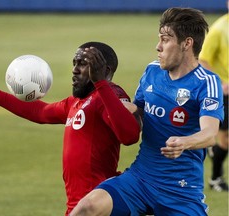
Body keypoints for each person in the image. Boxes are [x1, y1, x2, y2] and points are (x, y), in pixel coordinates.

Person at [0, 42, 141, 215]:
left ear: (103, 70)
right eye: (74, 63)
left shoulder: (111, 94)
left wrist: (101, 83)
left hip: (98, 204)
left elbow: (130, 135)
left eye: (83, 64)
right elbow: (41, 112)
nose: (74, 70)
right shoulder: (76, 102)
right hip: (78, 205)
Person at [70, 7, 224, 216]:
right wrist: (108, 107)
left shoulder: (207, 82)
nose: (158, 47)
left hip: (181, 190)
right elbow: (139, 111)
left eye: (165, 39)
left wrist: (184, 142)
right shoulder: (152, 71)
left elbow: (210, 134)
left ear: (187, 43)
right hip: (140, 179)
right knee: (87, 207)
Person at [199, 1, 229, 192]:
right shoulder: (219, 29)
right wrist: (219, 84)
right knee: (225, 140)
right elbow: (203, 60)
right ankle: (216, 177)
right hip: (226, 93)